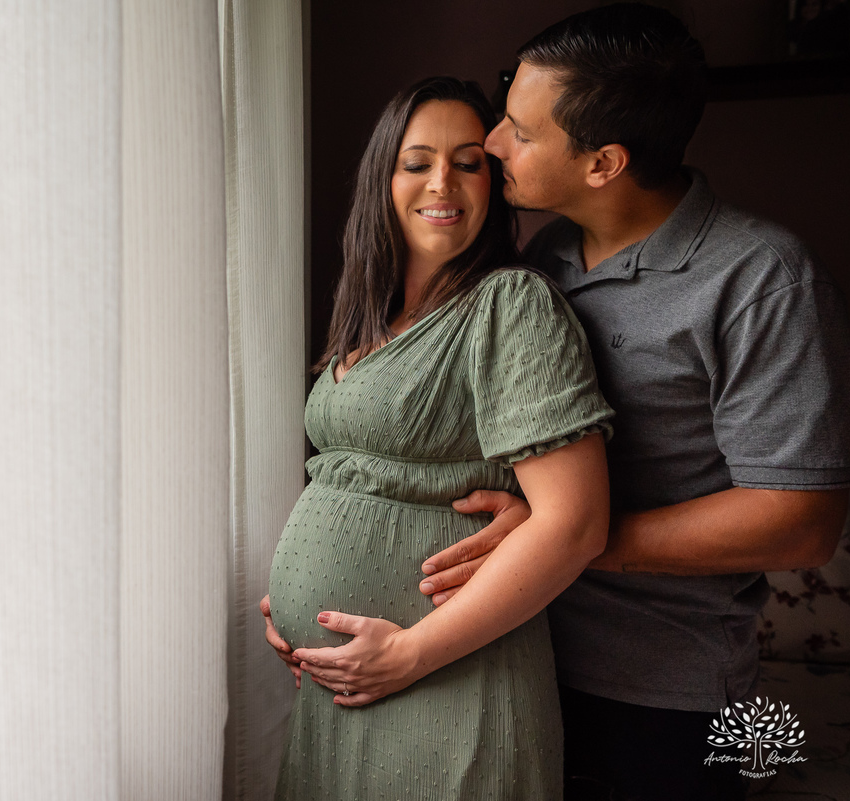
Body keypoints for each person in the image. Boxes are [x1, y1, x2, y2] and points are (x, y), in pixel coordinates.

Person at [278, 5, 850, 800]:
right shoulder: (543, 256)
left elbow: (804, 521)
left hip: (658, 683)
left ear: (603, 163)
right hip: (509, 641)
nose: (492, 143)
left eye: (518, 129)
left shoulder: (762, 279)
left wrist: (573, 536)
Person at [262, 76, 614, 800]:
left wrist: (409, 653)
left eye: (468, 160)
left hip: (450, 678)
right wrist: (296, 599)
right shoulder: (368, 317)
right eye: (417, 162)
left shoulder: (511, 306)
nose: (442, 182)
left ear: (495, 180)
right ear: (382, 179)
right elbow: (353, 480)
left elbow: (575, 524)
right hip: (345, 686)